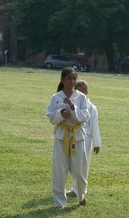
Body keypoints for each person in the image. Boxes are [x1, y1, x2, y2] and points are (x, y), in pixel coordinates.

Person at [46, 67, 90, 208]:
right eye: (68, 78)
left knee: (78, 170)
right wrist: (61, 114)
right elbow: (51, 118)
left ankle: (81, 194)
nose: (71, 81)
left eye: (73, 78)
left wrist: (73, 108)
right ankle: (59, 202)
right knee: (60, 170)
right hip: (62, 136)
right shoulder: (56, 97)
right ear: (62, 80)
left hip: (77, 136)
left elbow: (85, 117)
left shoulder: (81, 97)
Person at [68, 80, 101, 196]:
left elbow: (94, 126)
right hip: (72, 137)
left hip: (86, 139)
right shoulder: (71, 105)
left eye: (84, 90)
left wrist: (97, 144)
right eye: (79, 90)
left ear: (87, 92)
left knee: (83, 165)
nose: (82, 93)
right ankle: (74, 187)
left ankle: (82, 189)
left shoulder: (91, 108)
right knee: (73, 164)